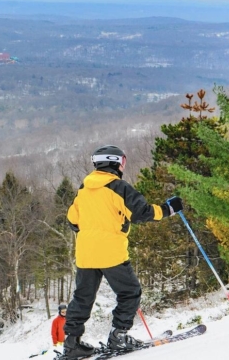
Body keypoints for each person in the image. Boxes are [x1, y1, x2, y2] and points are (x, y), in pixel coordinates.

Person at [62, 145, 183, 359]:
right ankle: (119, 335)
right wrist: (169, 209)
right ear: (117, 163)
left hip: (85, 253)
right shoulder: (119, 187)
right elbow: (142, 213)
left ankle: (72, 343)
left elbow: (73, 220)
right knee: (130, 292)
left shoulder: (84, 188)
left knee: (82, 297)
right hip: (111, 252)